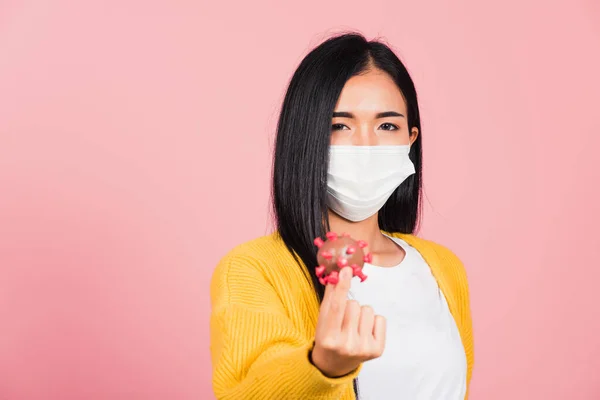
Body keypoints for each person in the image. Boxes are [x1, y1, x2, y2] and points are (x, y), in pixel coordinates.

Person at [209, 32, 474, 400]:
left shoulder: (444, 269)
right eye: (339, 126)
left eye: (387, 126)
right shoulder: (253, 269)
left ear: (411, 140)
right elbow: (244, 392)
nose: (365, 144)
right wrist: (322, 366)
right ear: (305, 138)